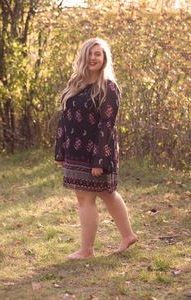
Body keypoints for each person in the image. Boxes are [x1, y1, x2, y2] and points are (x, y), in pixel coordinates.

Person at [55, 37, 137, 260]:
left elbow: (107, 125)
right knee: (106, 194)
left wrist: (99, 160)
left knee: (87, 199)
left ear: (104, 59)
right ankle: (128, 236)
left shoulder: (108, 87)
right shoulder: (75, 84)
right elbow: (64, 120)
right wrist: (60, 151)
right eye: (90, 53)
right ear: (83, 56)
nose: (93, 58)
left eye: (98, 54)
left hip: (95, 154)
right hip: (74, 152)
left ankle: (87, 250)